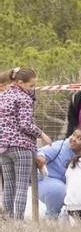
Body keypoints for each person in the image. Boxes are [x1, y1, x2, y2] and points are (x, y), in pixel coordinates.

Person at [0, 66, 39, 219]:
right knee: (21, 186)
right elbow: (25, 124)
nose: (32, 89)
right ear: (20, 83)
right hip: (21, 146)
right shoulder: (24, 98)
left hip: (3, 147)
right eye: (31, 85)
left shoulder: (2, 96)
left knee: (8, 186)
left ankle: (8, 220)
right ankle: (19, 222)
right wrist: (41, 134)